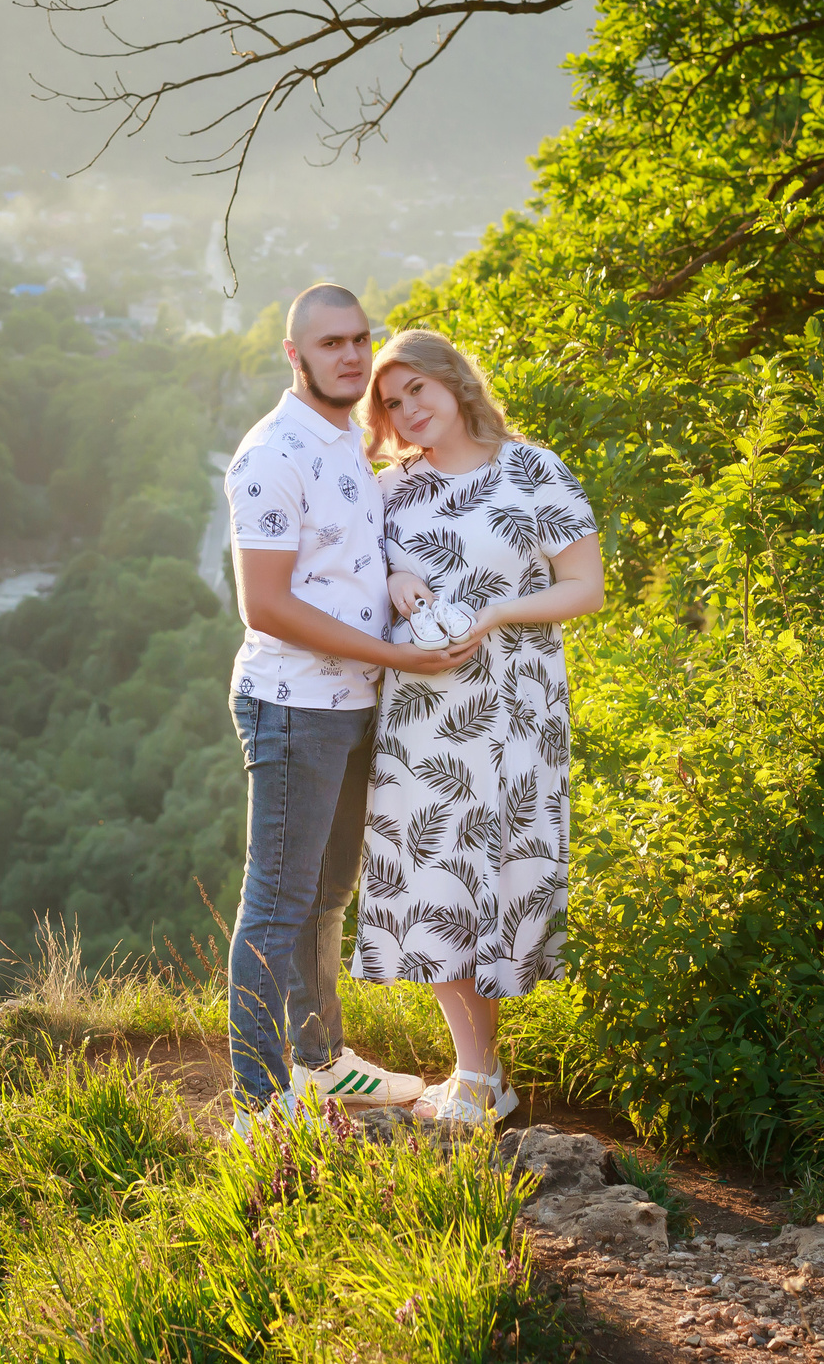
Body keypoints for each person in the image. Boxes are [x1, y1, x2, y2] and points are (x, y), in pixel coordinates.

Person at [221, 284, 471, 1136]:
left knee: (328, 894)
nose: (353, 357)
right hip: (294, 706)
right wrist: (399, 655)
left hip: (353, 700)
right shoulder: (270, 453)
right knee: (278, 900)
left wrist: (399, 579)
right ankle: (260, 1103)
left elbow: (353, 561)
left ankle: (322, 1062)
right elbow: (266, 605)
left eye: (360, 339)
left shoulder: (345, 443)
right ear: (294, 355)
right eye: (331, 343)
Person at [355, 328, 605, 1127]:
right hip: (422, 715)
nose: (407, 410)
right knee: (433, 881)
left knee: (494, 880)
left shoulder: (532, 468)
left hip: (513, 708)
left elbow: (585, 587)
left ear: (454, 382)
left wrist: (497, 611)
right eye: (392, 402)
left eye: (416, 390)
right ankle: (479, 1073)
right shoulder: (392, 489)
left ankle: (480, 1075)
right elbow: (364, 571)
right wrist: (396, 575)